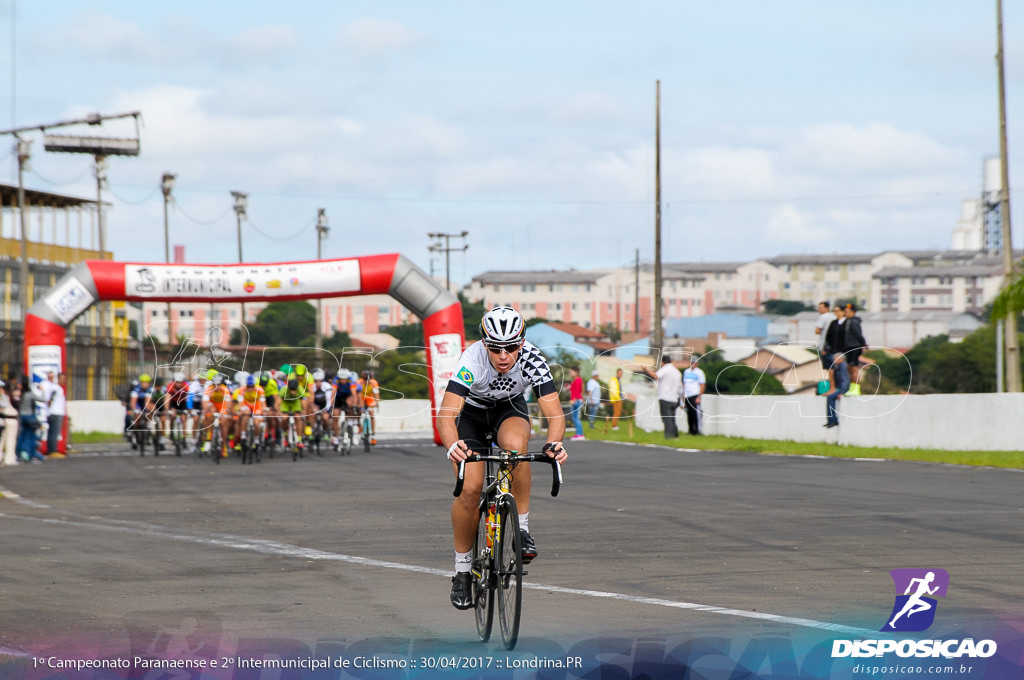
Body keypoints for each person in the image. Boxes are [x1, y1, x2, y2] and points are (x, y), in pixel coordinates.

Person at [438, 305, 567, 610]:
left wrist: (554, 444)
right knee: (469, 488)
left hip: (509, 411)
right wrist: (453, 445)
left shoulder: (534, 359)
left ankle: (521, 529)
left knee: (515, 452)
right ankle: (462, 571)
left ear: (522, 343)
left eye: (511, 347)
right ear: (485, 344)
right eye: (495, 348)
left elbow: (555, 415)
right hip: (471, 416)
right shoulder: (471, 360)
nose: (503, 355)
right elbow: (446, 415)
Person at [641, 355, 682, 439]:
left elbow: (656, 376)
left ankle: (669, 437)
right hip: (674, 398)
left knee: (666, 419)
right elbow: (680, 386)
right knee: (672, 418)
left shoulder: (665, 369)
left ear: (663, 362)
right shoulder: (677, 372)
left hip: (665, 397)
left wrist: (646, 370)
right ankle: (675, 436)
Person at [16, 375, 45, 462]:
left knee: (22, 436)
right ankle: (32, 455)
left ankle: (19, 454)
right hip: (29, 416)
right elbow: (42, 399)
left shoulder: (21, 393)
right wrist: (42, 390)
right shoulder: (30, 393)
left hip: (21, 416)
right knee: (32, 436)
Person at [842, 303, 869, 385]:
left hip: (854, 347)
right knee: (849, 367)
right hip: (849, 347)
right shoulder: (847, 321)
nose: (845, 313)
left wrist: (864, 344)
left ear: (853, 312)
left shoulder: (853, 322)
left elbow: (858, 334)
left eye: (847, 312)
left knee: (853, 368)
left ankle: (856, 387)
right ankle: (852, 385)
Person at [681, 355, 706, 435]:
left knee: (696, 414)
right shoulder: (686, 371)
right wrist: (683, 395)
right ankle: (691, 430)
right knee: (689, 414)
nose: (693, 364)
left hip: (695, 395)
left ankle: (697, 431)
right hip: (687, 395)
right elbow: (684, 384)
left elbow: (702, 385)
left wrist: (699, 396)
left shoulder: (699, 372)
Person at [824, 354, 850, 429]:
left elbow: (845, 381)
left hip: (843, 390)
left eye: (836, 359)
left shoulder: (843, 366)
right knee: (830, 397)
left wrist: (842, 392)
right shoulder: (839, 366)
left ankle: (832, 420)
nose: (834, 361)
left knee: (830, 397)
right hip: (841, 389)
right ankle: (831, 420)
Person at [44, 372, 67, 455]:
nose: (63, 380)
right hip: (55, 413)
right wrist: (50, 409)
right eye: (62, 378)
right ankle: (53, 450)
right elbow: (50, 399)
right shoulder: (56, 388)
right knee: (54, 432)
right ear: (58, 379)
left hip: (55, 412)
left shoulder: (58, 388)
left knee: (51, 432)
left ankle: (51, 449)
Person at [0, 379, 19, 465]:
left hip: (5, 419)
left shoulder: (5, 396)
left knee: (3, 440)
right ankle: (9, 459)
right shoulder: (7, 396)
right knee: (9, 439)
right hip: (9, 419)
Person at [814, 301, 834, 368]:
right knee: (834, 365)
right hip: (833, 345)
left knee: (829, 366)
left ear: (827, 308)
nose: (819, 309)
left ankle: (831, 378)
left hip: (825, 345)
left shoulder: (822, 317)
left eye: (821, 307)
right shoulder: (833, 316)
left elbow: (817, 331)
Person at [567, 366, 585, 440]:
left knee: (576, 418)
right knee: (575, 418)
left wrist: (573, 399)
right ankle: (579, 433)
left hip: (576, 400)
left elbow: (577, 391)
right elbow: (573, 389)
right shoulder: (575, 380)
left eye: (572, 371)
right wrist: (569, 387)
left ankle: (579, 434)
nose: (570, 373)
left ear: (576, 372)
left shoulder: (578, 380)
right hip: (575, 399)